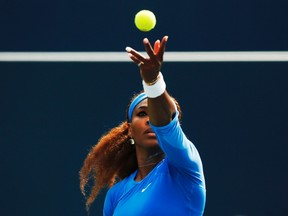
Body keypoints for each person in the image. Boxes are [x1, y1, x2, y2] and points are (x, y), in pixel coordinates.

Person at [79, 36, 206, 215]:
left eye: (154, 114)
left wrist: (153, 82)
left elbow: (164, 123)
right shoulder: (116, 195)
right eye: (142, 114)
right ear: (130, 129)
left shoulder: (185, 166)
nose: (151, 119)